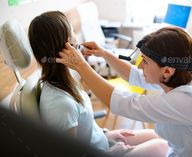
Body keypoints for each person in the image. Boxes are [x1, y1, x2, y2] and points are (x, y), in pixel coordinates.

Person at [56, 26, 192, 157]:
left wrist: (81, 65)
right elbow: (136, 76)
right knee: (126, 139)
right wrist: (104, 54)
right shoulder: (185, 73)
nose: (140, 65)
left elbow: (124, 103)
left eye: (145, 61)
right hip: (180, 148)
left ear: (167, 71)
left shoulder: (188, 101)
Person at [28, 11, 168, 157]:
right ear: (69, 43)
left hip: (102, 141)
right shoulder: (60, 104)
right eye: (74, 31)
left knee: (160, 135)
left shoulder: (66, 84)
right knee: (162, 146)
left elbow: (85, 127)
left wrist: (105, 134)